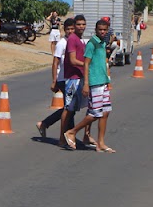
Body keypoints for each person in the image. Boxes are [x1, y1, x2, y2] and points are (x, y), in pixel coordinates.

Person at [64, 19, 115, 153]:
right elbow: (86, 63)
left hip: (103, 82)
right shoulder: (92, 43)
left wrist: (108, 80)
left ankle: (101, 143)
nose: (102, 32)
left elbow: (103, 63)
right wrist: (86, 84)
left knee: (105, 112)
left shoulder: (103, 43)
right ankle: (71, 132)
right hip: (94, 82)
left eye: (105, 30)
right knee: (95, 113)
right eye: (100, 30)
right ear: (96, 30)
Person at [36, 19, 76, 143]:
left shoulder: (75, 42)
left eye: (72, 29)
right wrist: (54, 81)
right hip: (62, 79)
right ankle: (67, 134)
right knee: (70, 108)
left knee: (70, 107)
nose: (70, 31)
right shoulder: (62, 44)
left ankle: (47, 125)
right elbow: (55, 63)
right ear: (64, 30)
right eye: (68, 29)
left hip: (72, 79)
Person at [60, 15, 88, 150]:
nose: (81, 27)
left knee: (75, 108)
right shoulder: (72, 39)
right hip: (72, 79)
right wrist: (87, 65)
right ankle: (61, 138)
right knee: (68, 108)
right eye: (79, 24)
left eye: (83, 24)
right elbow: (72, 60)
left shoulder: (80, 40)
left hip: (80, 77)